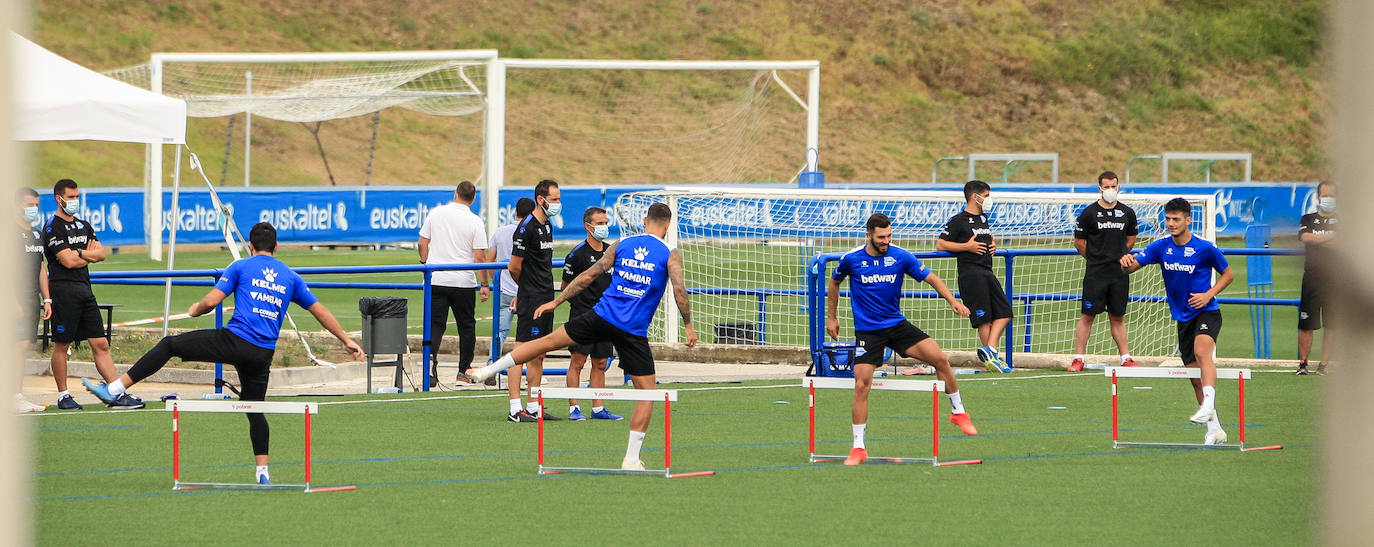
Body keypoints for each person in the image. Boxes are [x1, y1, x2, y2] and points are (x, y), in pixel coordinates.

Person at [84, 222, 364, 485]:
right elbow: (320, 311)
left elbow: (212, 301)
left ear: (251, 246)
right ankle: (263, 472)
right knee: (255, 408)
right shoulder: (290, 277)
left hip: (234, 341)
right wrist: (346, 340)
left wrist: (195, 309)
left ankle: (117, 388)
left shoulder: (240, 266)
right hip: (262, 354)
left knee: (169, 344)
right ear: (276, 248)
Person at [468, 203, 698, 470]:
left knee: (546, 342)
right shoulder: (670, 252)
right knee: (648, 394)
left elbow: (589, 275)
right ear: (667, 226)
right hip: (632, 330)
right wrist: (688, 325)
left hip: (600, 315)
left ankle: (489, 369)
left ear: (645, 220)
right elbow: (679, 291)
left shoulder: (622, 243)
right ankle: (631, 459)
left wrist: (557, 302)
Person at [827, 213, 979, 465]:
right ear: (869, 236)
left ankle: (958, 412)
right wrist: (831, 317)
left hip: (897, 326)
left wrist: (953, 301)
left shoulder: (900, 256)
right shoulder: (852, 259)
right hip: (868, 332)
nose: (886, 240)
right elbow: (834, 282)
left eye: (889, 235)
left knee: (940, 358)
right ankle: (858, 447)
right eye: (881, 237)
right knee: (862, 384)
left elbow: (931, 277)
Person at [1120, 198, 1235, 446]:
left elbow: (1229, 273)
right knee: (1195, 377)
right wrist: (1126, 263)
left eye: (1176, 219)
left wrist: (1208, 294)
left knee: (1202, 352)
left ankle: (1208, 404)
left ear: (1188, 220)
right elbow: (1132, 266)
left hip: (1207, 312)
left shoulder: (1205, 248)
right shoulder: (1160, 247)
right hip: (1182, 318)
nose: (1171, 223)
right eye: (1168, 219)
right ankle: (1215, 429)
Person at [42, 178, 136, 409]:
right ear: (59, 198)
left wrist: (79, 252)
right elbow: (67, 261)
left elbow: (101, 254)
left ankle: (115, 391)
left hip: (85, 290)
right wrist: (84, 255)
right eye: (71, 197)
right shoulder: (52, 227)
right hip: (63, 292)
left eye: (77, 197)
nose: (75, 201)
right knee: (62, 345)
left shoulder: (84, 225)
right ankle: (63, 395)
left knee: (101, 343)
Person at [936, 180, 1012, 373]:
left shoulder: (984, 219)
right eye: (986, 196)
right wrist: (966, 247)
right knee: (983, 319)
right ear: (974, 197)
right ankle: (992, 359)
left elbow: (984, 240)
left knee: (1005, 313)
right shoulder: (958, 220)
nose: (989, 200)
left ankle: (990, 351)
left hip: (987, 271)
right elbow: (941, 245)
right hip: (971, 274)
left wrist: (992, 246)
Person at [418, 180, 490, 384]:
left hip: (437, 277)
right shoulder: (475, 221)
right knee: (466, 327)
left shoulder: (436, 212)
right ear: (473, 199)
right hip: (463, 281)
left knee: (435, 324)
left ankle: (430, 369)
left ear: (455, 193)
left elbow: (422, 243)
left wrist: (425, 265)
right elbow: (479, 256)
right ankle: (463, 371)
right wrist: (484, 284)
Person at [1069, 171, 1140, 371]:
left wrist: (1122, 256)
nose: (1111, 190)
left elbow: (1131, 238)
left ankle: (1126, 357)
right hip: (1095, 273)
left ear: (1118, 186)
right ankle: (1078, 358)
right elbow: (1079, 242)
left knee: (1117, 316)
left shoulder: (1127, 212)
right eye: (1107, 186)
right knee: (1087, 315)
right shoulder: (1088, 213)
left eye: (1114, 186)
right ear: (1099, 188)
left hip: (1119, 273)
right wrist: (1095, 258)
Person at [506, 179, 562, 422]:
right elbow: (514, 267)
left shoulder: (547, 225)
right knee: (520, 351)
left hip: (546, 297)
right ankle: (514, 408)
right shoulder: (526, 227)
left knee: (539, 353)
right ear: (541, 199)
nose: (558, 203)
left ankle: (534, 405)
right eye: (555, 199)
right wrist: (525, 292)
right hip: (531, 298)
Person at [561, 206, 622, 421]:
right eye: (600, 223)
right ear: (588, 226)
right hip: (582, 315)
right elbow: (565, 287)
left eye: (606, 223)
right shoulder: (577, 254)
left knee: (600, 363)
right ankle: (574, 408)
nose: (604, 227)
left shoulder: (611, 252)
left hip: (606, 316)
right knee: (578, 362)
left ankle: (598, 408)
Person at [15, 188, 50, 412]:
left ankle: (16, 395)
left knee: (23, 345)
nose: (33, 209)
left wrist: (47, 299)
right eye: (29, 204)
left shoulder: (37, 234)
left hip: (31, 297)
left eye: (36, 205)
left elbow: (40, 267)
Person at [1296, 182, 1336, 375]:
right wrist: (1330, 238)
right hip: (1312, 278)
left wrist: (1319, 240)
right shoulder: (1308, 218)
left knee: (1332, 324)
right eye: (1325, 195)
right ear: (1319, 197)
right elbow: (1306, 238)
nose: (1328, 199)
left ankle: (1324, 365)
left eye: (1332, 195)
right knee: (1306, 323)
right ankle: (1303, 364)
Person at [488, 198, 535, 357]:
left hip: (504, 289)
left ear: (515, 212)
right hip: (527, 290)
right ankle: (533, 370)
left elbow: (489, 261)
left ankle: (491, 366)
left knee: (499, 332)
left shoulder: (500, 232)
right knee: (532, 334)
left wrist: (497, 280)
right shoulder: (533, 232)